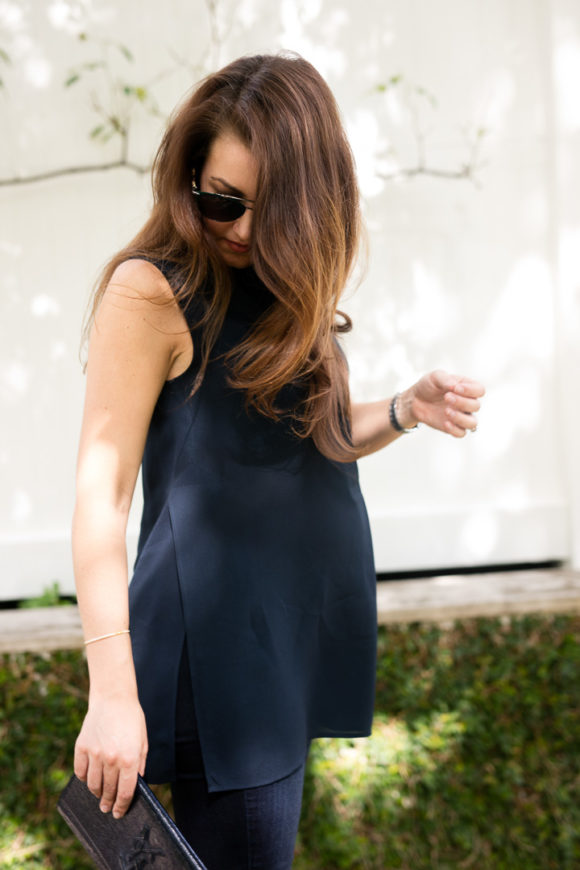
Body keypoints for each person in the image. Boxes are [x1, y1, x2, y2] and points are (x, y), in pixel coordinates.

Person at [71, 52, 484, 869]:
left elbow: (313, 437)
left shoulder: (287, 287)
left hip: (281, 650)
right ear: (189, 177)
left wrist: (404, 409)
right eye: (222, 201)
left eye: (273, 211)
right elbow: (99, 495)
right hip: (213, 668)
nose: (243, 230)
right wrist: (112, 693)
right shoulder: (151, 292)